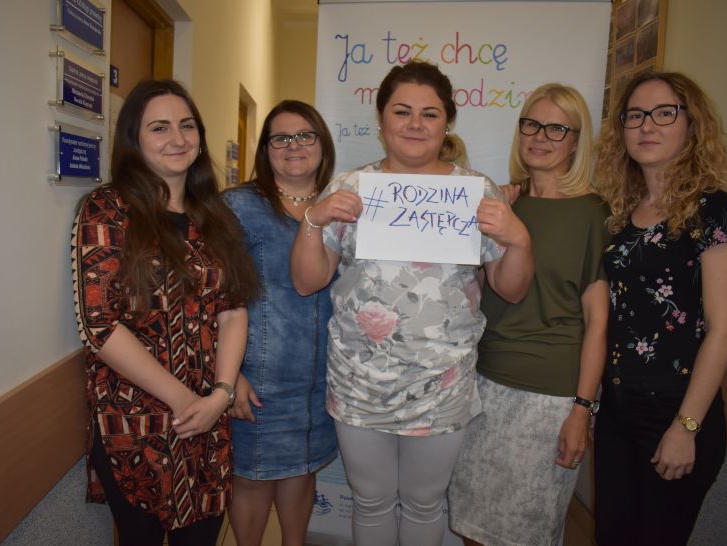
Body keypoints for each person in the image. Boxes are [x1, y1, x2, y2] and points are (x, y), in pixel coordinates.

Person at [290, 61, 534, 546]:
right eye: (402, 112)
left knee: (426, 502)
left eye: (430, 113)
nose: (415, 124)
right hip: (360, 381)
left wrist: (520, 239)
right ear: (381, 119)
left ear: (448, 123)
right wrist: (313, 221)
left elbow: (511, 289)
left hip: (442, 383)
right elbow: (306, 281)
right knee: (370, 500)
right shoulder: (349, 189)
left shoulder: (476, 193)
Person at [71, 79, 258, 546]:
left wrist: (220, 393)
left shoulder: (214, 215)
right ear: (134, 139)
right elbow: (100, 326)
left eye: (187, 125)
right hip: (136, 423)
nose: (177, 138)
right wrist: (185, 401)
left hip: (209, 418)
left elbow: (233, 309)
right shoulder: (107, 210)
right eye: (159, 128)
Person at [447, 83, 610, 546]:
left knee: (526, 533)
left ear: (576, 141)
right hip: (482, 384)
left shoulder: (593, 213)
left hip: (547, 398)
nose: (540, 136)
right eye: (532, 124)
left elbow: (598, 322)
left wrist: (582, 409)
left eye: (557, 128)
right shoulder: (500, 203)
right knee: (471, 525)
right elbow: (478, 292)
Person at [594, 71, 727, 545]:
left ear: (691, 124)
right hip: (617, 412)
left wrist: (686, 427)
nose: (647, 125)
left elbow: (722, 330)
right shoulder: (619, 213)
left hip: (678, 413)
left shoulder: (713, 209)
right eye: (635, 115)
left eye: (664, 113)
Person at [223, 100, 338, 546]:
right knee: (252, 479)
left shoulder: (340, 206)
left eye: (305, 135)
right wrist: (229, 375)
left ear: (322, 144)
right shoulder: (237, 206)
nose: (294, 145)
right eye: (281, 138)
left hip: (321, 380)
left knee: (301, 474)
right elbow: (212, 296)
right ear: (265, 149)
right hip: (257, 378)